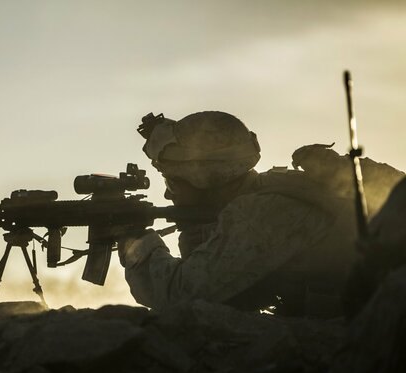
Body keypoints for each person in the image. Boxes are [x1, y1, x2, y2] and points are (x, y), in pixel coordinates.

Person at [118, 111, 403, 317]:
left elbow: (181, 296)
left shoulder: (259, 214)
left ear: (205, 180)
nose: (168, 195)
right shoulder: (270, 190)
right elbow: (234, 296)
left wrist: (136, 245)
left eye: (171, 182)